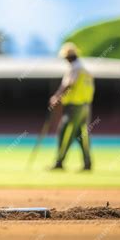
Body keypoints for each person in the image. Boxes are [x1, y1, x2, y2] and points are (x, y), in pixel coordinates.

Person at [49, 42, 94, 171]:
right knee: (80, 135)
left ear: (68, 57)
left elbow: (69, 84)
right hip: (85, 105)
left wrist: (57, 97)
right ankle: (87, 162)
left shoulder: (74, 68)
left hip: (75, 106)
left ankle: (59, 162)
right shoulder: (85, 69)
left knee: (64, 132)